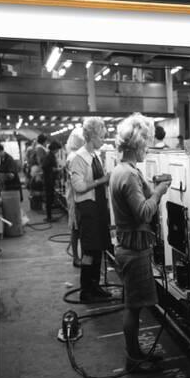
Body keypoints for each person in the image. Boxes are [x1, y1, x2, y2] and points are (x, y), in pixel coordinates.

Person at [110, 114, 171, 373]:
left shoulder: (123, 170)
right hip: (133, 251)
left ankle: (136, 353)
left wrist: (153, 184)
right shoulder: (129, 175)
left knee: (133, 306)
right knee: (133, 308)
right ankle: (133, 359)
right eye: (146, 142)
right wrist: (159, 192)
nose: (148, 147)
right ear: (137, 144)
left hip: (130, 247)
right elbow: (144, 213)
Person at [69, 117, 112, 302]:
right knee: (89, 251)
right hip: (88, 210)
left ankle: (95, 285)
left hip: (98, 208)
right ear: (92, 135)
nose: (104, 139)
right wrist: (103, 180)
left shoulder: (94, 155)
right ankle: (86, 290)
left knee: (98, 249)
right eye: (101, 136)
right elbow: (78, 186)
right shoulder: (78, 158)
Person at [65, 127, 85, 267]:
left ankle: (81, 256)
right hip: (75, 196)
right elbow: (78, 182)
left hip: (76, 195)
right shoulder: (74, 157)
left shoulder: (75, 155)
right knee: (76, 228)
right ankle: (77, 257)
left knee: (79, 228)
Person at [41, 140, 62, 223]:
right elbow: (45, 167)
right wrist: (56, 169)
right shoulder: (49, 156)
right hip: (48, 180)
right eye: (57, 149)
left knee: (50, 197)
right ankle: (49, 217)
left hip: (50, 179)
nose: (58, 151)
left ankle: (49, 216)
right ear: (54, 148)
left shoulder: (51, 155)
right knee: (49, 198)